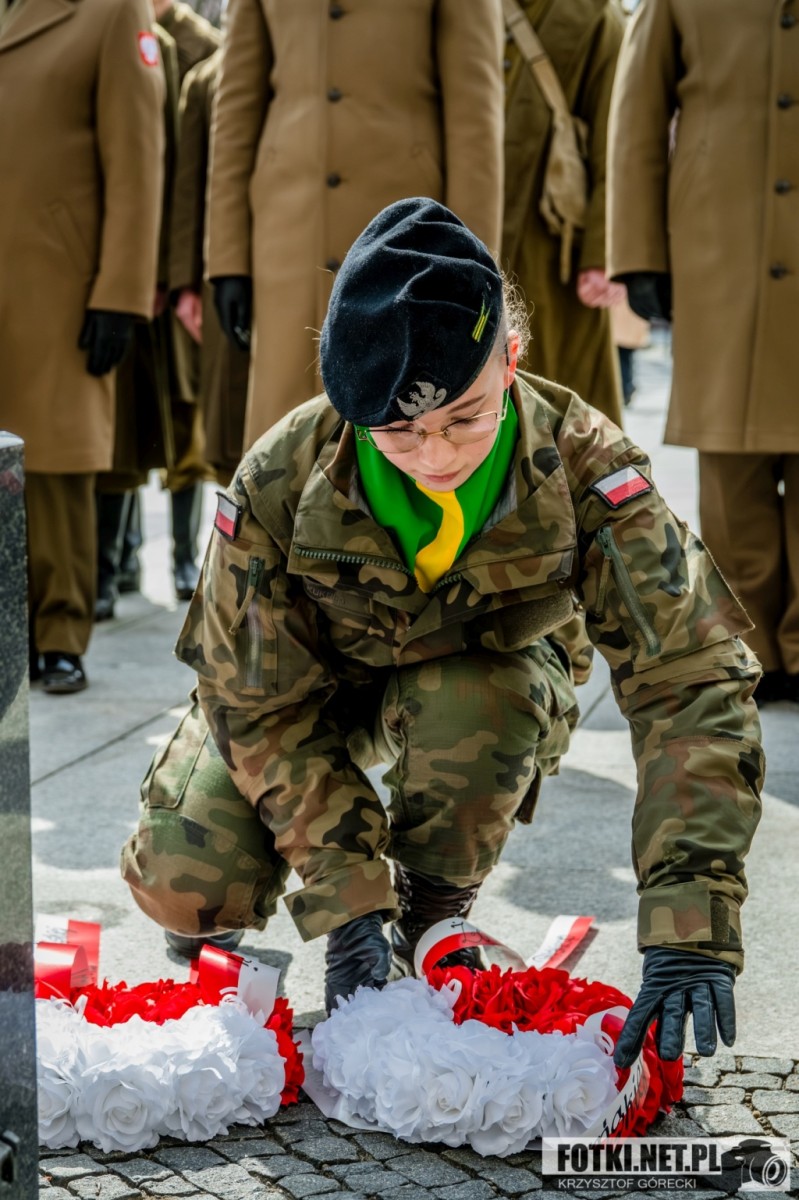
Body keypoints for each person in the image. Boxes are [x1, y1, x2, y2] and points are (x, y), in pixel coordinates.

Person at [123, 198, 764, 1068]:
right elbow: (255, 700)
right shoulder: (280, 474)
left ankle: (429, 911)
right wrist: (348, 901)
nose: (436, 456)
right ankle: (321, 918)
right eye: (398, 433)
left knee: (481, 701)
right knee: (182, 877)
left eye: (465, 417)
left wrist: (689, 920)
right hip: (311, 697)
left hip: (480, 682)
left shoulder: (588, 469)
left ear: (511, 358)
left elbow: (688, 678)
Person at [607, 0, 799, 706]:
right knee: (728, 461)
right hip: (719, 248)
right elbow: (637, 116)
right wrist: (636, 253)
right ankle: (750, 647)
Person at [206, 0, 505, 447]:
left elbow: (475, 116)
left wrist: (471, 264)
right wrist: (227, 258)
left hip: (410, 238)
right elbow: (236, 103)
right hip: (287, 234)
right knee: (285, 438)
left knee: (410, 431)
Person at [0, 0, 164, 691]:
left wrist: (121, 292)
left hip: (58, 283)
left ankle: (60, 633)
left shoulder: (112, 11)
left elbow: (137, 159)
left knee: (56, 462)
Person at [501, 0, 626, 426]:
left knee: (563, 402)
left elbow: (616, 144)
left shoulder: (595, 16)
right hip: (472, 229)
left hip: (554, 248)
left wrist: (602, 254)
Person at [170, 49, 250, 485]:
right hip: (225, 269)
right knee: (229, 429)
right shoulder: (207, 80)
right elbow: (189, 190)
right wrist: (184, 285)